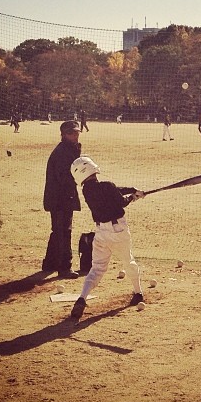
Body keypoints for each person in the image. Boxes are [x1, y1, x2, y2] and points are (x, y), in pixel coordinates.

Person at [69, 156, 145, 321]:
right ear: (92, 168)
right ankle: (138, 293)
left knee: (96, 268)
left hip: (101, 233)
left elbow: (113, 190)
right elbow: (121, 202)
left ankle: (82, 298)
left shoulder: (86, 190)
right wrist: (133, 197)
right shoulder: (107, 186)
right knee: (128, 261)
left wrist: (132, 189)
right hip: (118, 231)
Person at [41, 120, 82, 279]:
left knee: (59, 230)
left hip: (62, 196)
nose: (76, 135)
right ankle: (65, 267)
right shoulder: (62, 152)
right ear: (63, 135)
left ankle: (50, 263)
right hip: (59, 198)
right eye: (72, 133)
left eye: (77, 132)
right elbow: (64, 178)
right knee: (64, 231)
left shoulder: (69, 149)